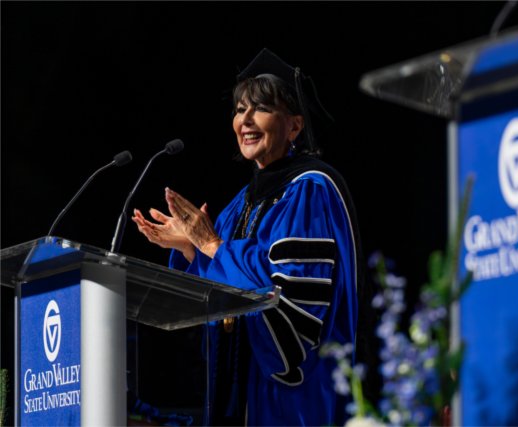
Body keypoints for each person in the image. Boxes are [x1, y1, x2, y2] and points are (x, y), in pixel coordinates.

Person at [132, 48, 367, 426]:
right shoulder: (239, 205)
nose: (246, 120)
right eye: (239, 110)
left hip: (293, 404)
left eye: (260, 108)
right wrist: (191, 250)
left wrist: (210, 246)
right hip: (239, 399)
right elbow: (228, 284)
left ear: (294, 125)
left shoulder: (310, 190)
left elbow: (293, 313)